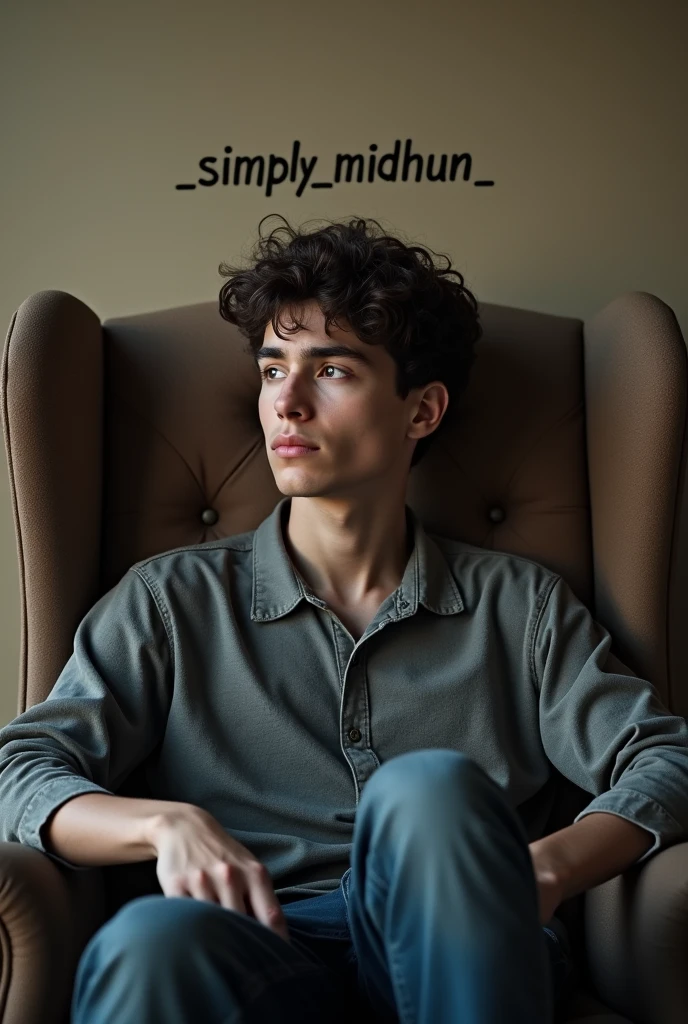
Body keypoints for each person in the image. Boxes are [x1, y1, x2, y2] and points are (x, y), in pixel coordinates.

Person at [1, 215, 688, 1024]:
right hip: (252, 947)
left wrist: (544, 869)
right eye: (271, 369)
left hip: (460, 951)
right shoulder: (166, 602)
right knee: (147, 941)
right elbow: (22, 769)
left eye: (331, 370)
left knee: (429, 790)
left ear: (422, 411)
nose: (286, 403)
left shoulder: (523, 607)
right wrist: (162, 825)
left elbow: (666, 759)